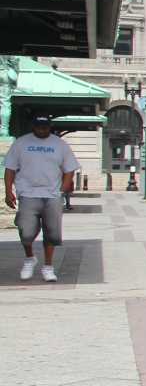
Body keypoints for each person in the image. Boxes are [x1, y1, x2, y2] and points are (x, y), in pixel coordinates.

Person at [4, 114, 79, 283]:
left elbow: (69, 169)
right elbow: (10, 169)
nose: (42, 129)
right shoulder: (21, 143)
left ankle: (48, 266)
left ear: (49, 127)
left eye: (45, 127)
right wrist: (9, 191)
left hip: (51, 194)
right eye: (39, 126)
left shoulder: (59, 145)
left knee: (51, 232)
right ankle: (30, 258)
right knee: (26, 231)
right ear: (33, 127)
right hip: (28, 193)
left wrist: (63, 188)